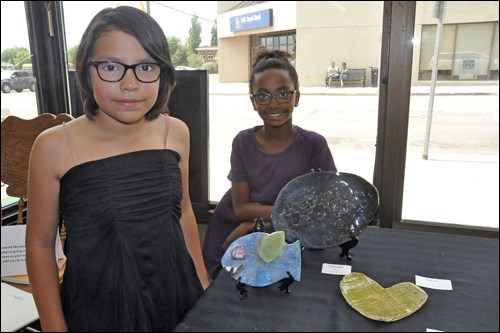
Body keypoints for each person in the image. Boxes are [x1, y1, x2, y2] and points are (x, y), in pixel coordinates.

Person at [25, 6, 210, 332]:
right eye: (111, 67)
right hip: (100, 307)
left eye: (145, 67)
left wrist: (205, 292)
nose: (129, 83)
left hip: (176, 295)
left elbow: (182, 215)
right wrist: (54, 326)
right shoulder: (52, 147)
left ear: (162, 72)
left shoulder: (176, 132)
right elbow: (40, 244)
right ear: (86, 70)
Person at [202, 50, 337, 279]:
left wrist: (256, 225)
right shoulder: (243, 142)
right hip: (233, 229)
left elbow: (323, 211)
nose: (274, 103)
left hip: (282, 234)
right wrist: (291, 215)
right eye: (263, 95)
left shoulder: (314, 145)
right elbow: (241, 208)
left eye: (283, 93)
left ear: (297, 97)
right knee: (229, 291)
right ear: (253, 102)